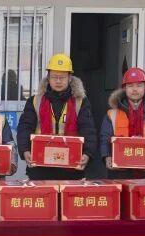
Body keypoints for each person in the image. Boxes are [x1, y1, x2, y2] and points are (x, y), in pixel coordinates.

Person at [17, 53, 95, 181]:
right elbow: (25, 128)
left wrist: (87, 154)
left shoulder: (81, 102)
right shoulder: (35, 101)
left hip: (71, 167)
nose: (58, 81)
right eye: (54, 77)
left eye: (62, 77)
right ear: (48, 78)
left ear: (70, 78)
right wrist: (25, 150)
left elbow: (88, 129)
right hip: (40, 167)